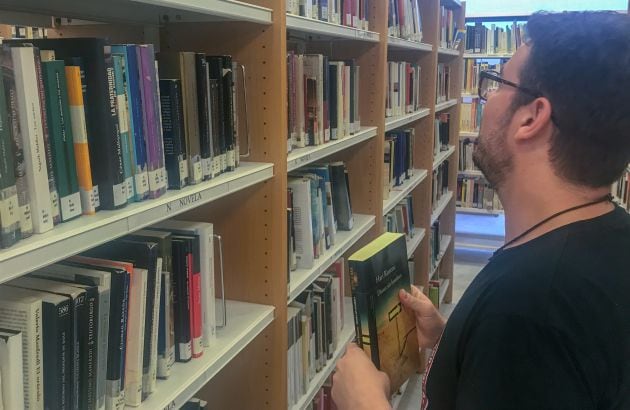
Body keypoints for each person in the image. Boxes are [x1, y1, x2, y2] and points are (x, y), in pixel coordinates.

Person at [332, 11, 630, 409]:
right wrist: (452, 342)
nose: (482, 100)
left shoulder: (527, 311)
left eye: (496, 84)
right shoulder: (610, 237)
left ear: (531, 118)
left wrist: (365, 403)